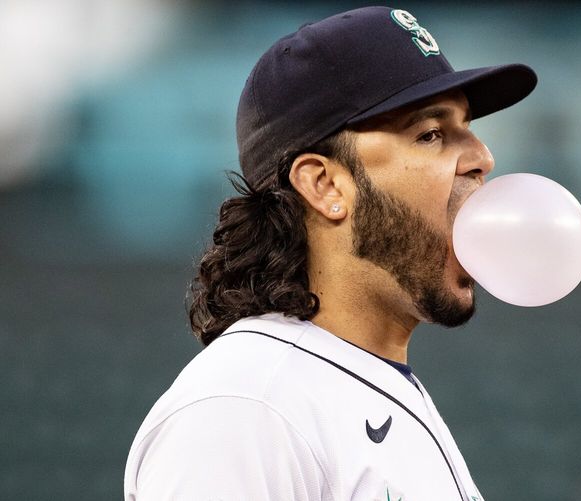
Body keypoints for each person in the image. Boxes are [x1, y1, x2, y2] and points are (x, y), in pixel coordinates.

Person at [124, 6, 536, 500]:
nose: (483, 157)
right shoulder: (246, 408)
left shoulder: (353, 385)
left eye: (467, 126)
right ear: (324, 184)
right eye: (430, 133)